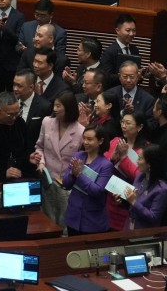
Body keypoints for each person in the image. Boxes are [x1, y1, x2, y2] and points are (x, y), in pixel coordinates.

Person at [31, 91, 84, 226]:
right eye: (55, 105)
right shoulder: (47, 122)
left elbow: (82, 158)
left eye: (59, 106)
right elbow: (39, 147)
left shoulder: (81, 131)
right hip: (47, 181)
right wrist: (40, 162)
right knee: (47, 220)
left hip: (66, 185)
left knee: (64, 222)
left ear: (69, 108)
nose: (55, 109)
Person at [61, 125, 113, 235]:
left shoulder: (106, 165)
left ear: (100, 141)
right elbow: (65, 183)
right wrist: (72, 174)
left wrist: (79, 174)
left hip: (92, 221)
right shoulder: (78, 156)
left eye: (89, 139)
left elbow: (97, 191)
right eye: (84, 138)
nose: (85, 142)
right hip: (73, 217)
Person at [104, 111, 146, 230]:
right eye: (122, 122)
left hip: (129, 199)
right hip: (111, 195)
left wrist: (123, 158)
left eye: (128, 123)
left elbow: (139, 175)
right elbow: (103, 165)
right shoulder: (116, 141)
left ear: (140, 127)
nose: (123, 126)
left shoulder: (145, 149)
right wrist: (112, 158)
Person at [124, 144, 167, 229]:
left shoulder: (161, 189)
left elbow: (153, 217)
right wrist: (122, 201)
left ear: (149, 163)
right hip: (129, 227)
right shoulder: (140, 176)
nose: (137, 161)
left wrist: (134, 202)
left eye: (140, 159)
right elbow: (132, 202)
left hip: (145, 232)